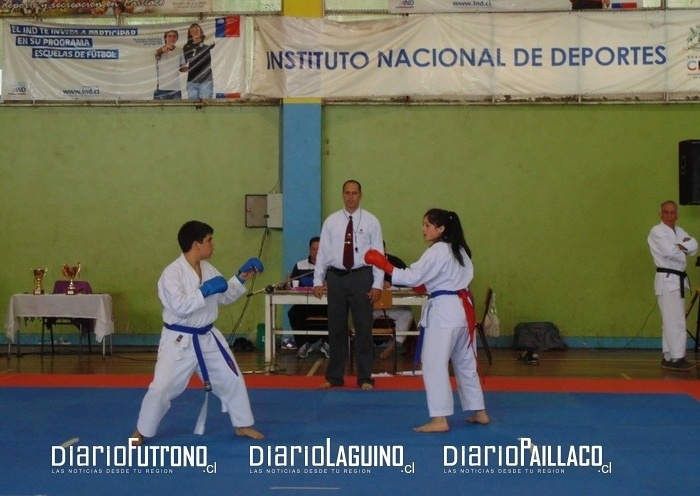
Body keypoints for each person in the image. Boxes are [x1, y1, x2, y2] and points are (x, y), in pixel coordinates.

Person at [131, 220, 265, 445]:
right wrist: (204, 290)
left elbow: (223, 295)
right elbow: (179, 307)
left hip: (207, 338)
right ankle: (142, 430)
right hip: (179, 341)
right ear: (196, 244)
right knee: (162, 387)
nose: (213, 244)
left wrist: (241, 276)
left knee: (232, 378)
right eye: (209, 240)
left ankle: (242, 425)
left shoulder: (208, 269)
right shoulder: (171, 274)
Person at [365, 208, 489, 432]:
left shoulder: (437, 251)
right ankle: (479, 411)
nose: (423, 229)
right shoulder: (460, 249)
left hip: (444, 312)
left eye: (428, 225)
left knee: (433, 364)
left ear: (441, 229)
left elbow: (411, 276)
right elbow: (436, 279)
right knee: (465, 362)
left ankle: (440, 419)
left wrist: (384, 264)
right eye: (423, 224)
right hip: (462, 310)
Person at [313, 180, 384, 390]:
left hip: (362, 277)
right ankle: (334, 376)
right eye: (347, 193)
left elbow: (379, 254)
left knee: (363, 328)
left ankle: (365, 377)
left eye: (354, 193)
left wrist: (377, 283)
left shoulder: (371, 221)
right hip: (336, 278)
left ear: (361, 195)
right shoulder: (331, 222)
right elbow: (323, 253)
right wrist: (318, 280)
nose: (350, 197)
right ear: (342, 195)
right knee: (336, 328)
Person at [647, 201, 698, 371]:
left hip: (677, 279)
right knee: (675, 320)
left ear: (677, 215)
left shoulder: (679, 231)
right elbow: (669, 252)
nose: (669, 215)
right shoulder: (657, 231)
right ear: (660, 214)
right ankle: (677, 357)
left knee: (671, 320)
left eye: (673, 212)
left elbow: (694, 246)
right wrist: (683, 247)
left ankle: (669, 356)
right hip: (667, 278)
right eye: (666, 212)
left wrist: (681, 247)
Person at [288, 236, 330, 359]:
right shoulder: (300, 265)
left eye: (319, 249)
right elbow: (292, 284)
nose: (316, 252)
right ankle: (303, 344)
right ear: (309, 250)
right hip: (304, 304)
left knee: (335, 312)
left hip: (324, 304)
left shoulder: (330, 266)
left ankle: (327, 343)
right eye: (313, 249)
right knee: (293, 313)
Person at [372, 246, 415, 360]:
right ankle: (365, 346)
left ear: (385, 250)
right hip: (372, 307)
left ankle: (393, 346)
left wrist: (391, 285)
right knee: (360, 314)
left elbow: (408, 282)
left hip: (395, 306)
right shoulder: (366, 264)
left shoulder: (396, 262)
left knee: (407, 315)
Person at [183, 23, 215, 100]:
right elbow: (185, 62)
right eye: (192, 30)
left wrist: (202, 39)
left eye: (197, 29)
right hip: (191, 82)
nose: (195, 31)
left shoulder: (207, 42)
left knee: (205, 105)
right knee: (193, 106)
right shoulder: (187, 47)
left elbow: (213, 44)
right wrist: (183, 68)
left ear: (201, 31)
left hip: (206, 81)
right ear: (190, 33)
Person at [154, 30, 187, 100]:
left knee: (176, 110)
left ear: (177, 38)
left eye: (174, 36)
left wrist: (193, 66)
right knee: (160, 111)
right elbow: (156, 54)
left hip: (176, 88)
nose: (172, 38)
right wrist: (162, 50)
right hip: (162, 88)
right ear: (165, 38)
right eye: (169, 36)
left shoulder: (180, 50)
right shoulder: (161, 49)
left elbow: (182, 68)